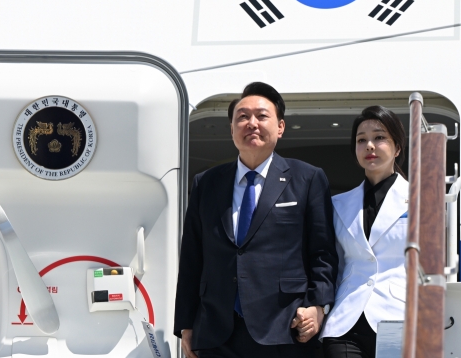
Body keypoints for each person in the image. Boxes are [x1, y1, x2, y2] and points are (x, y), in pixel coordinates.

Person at [174, 82, 338, 358]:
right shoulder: (207, 183)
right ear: (232, 129)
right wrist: (185, 325)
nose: (251, 123)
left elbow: (322, 252)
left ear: (280, 127)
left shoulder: (307, 178)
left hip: (284, 329)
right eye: (242, 117)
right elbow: (192, 259)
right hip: (216, 332)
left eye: (262, 116)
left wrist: (318, 307)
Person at [320, 105, 409, 358]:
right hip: (345, 321)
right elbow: (333, 263)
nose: (370, 145)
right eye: (362, 140)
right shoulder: (338, 204)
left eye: (379, 137)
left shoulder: (422, 200)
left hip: (397, 317)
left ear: (397, 147)